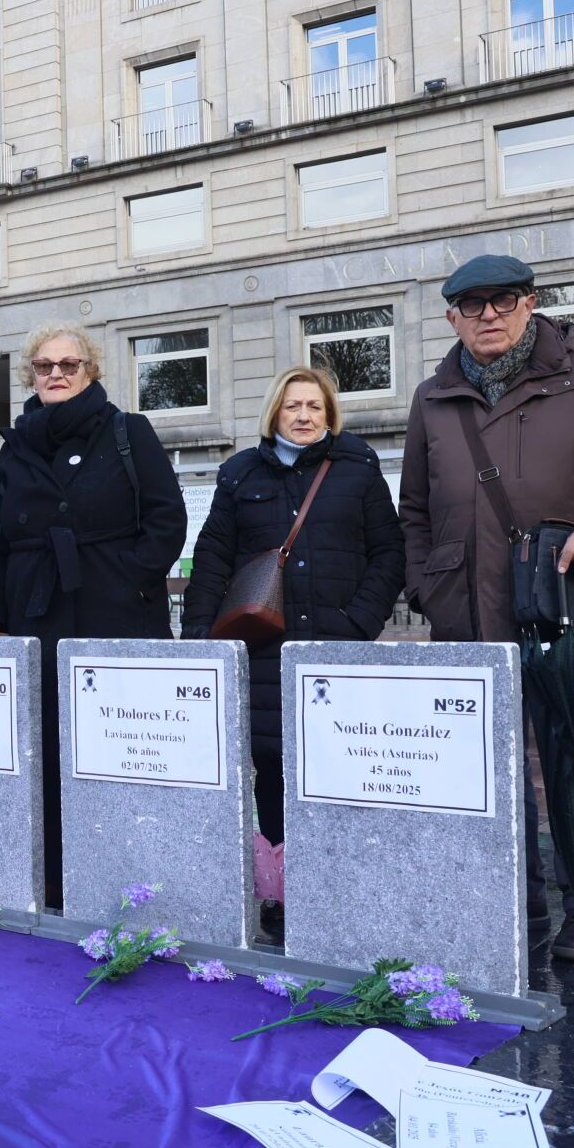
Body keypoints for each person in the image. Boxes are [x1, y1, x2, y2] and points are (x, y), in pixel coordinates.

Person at [399, 254, 574, 964]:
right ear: (450, 314)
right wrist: (428, 587)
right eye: (471, 303)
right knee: (484, 775)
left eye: (504, 300)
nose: (488, 314)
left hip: (565, 607)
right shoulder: (433, 396)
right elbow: (414, 511)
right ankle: (511, 905)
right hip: (467, 617)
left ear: (530, 304)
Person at [0, 321, 187, 909]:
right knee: (43, 747)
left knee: (119, 744)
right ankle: (55, 874)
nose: (57, 374)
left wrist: (128, 574)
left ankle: (129, 872)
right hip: (33, 616)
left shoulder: (127, 431)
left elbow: (167, 518)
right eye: (45, 366)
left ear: (90, 371)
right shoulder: (14, 446)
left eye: (70, 365)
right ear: (31, 376)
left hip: (114, 614)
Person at [180, 364, 402, 926]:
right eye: (292, 406)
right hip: (261, 652)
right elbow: (211, 562)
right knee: (273, 769)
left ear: (329, 415)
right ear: (274, 412)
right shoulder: (239, 474)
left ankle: (337, 882)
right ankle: (280, 889)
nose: (303, 416)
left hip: (334, 651)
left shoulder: (357, 468)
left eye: (315, 408)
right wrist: (203, 641)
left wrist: (356, 625)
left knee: (339, 768)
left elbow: (388, 555)